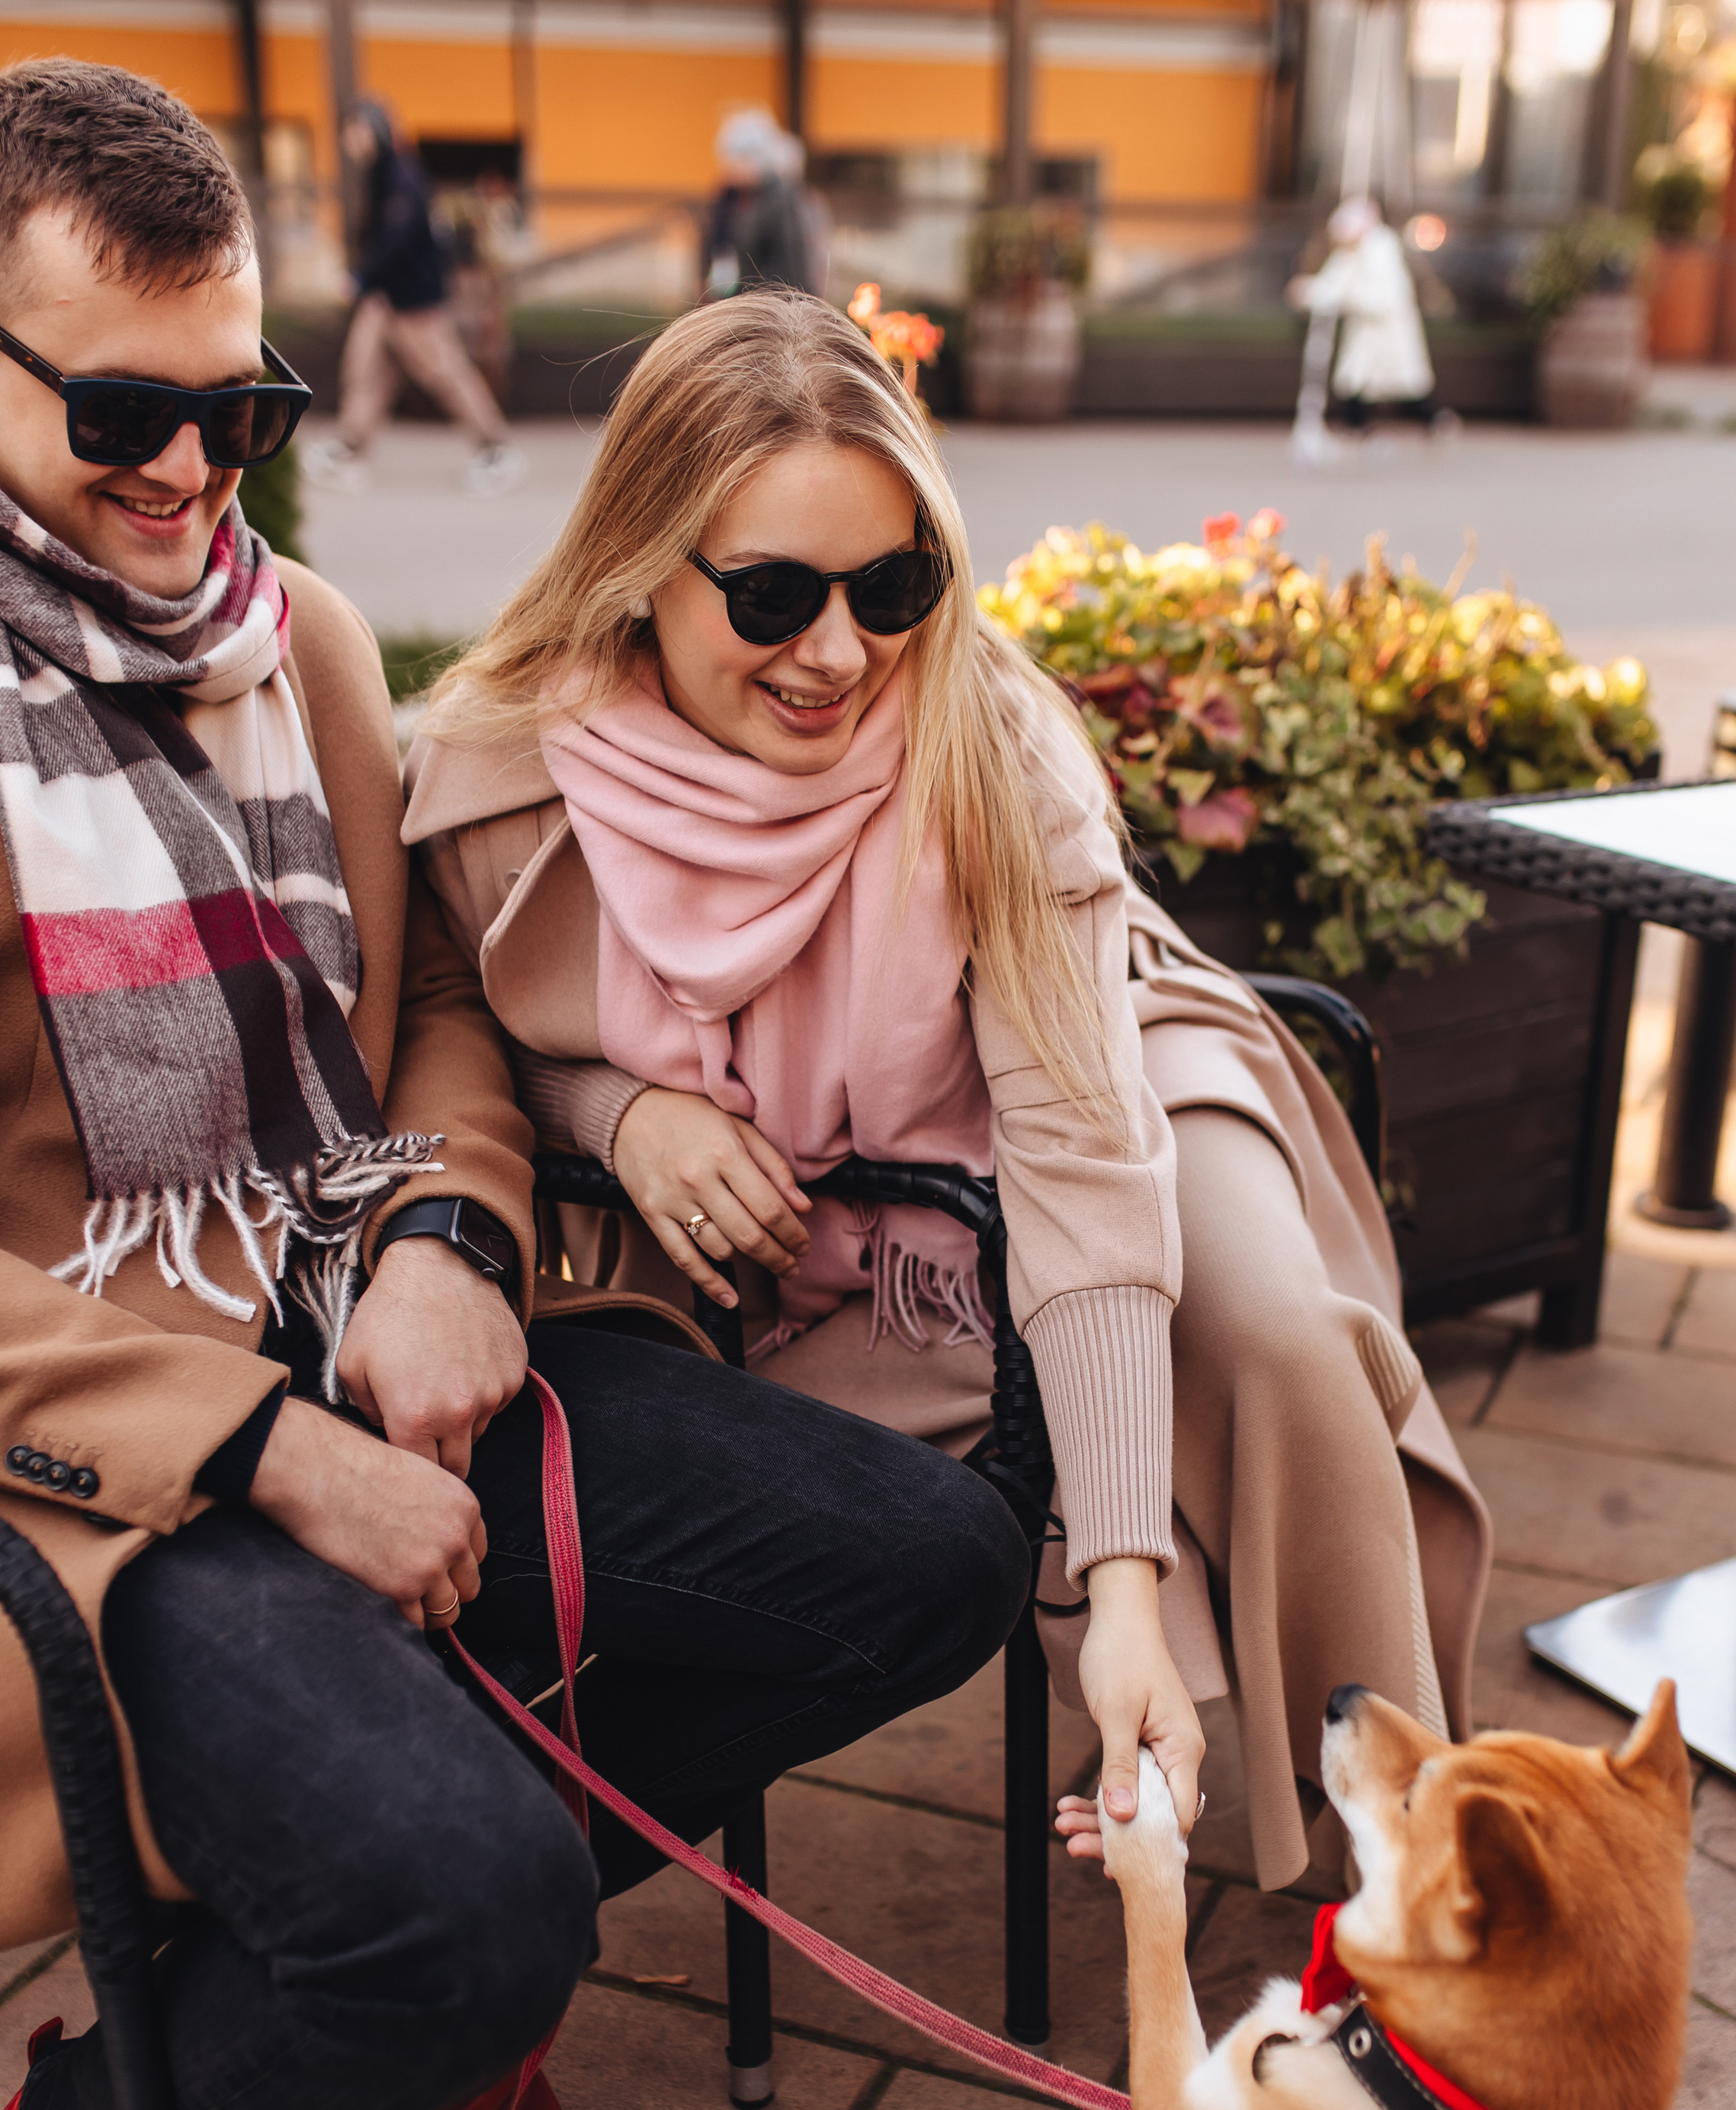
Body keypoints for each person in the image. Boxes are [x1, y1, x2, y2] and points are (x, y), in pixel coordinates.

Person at [0, 63, 1025, 2110]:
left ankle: (358, 1948)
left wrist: (448, 1236)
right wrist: (267, 1451)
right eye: (119, 415)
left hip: (375, 1301)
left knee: (932, 1558)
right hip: (115, 1450)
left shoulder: (308, 639)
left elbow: (435, 1008)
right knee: (473, 1910)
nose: (187, 474)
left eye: (232, 405)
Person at [405, 287, 1492, 1908]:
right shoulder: (502, 775)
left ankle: (1403, 1867)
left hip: (1111, 1072)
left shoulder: (992, 749)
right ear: (641, 563)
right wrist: (615, 1110)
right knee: (799, 1532)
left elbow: (1079, 1156)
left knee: (1263, 1338)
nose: (839, 651)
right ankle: (465, 1900)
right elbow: (465, 1029)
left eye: (893, 583)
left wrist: (1117, 1579)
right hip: (822, 1232)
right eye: (771, 594)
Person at [306, 101, 524, 498]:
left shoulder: (402, 174)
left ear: (376, 131)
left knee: (445, 373)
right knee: (365, 368)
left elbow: (397, 237)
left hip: (414, 300)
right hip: (387, 297)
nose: (349, 139)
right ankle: (350, 448)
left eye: (356, 129)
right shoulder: (379, 173)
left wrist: (359, 276)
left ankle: (495, 448)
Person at [1287, 196, 1450, 467]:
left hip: (1389, 335)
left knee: (1406, 388)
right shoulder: (1350, 253)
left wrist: (1346, 299)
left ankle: (1437, 422)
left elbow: (1385, 297)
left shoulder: (1382, 250)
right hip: (1364, 335)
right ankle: (1358, 430)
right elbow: (1333, 284)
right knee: (1354, 383)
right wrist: (1308, 292)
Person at [701, 109, 822, 301]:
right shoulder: (727, 199)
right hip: (733, 302)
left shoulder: (780, 200)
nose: (734, 167)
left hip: (769, 306)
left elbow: (792, 264)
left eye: (742, 158)